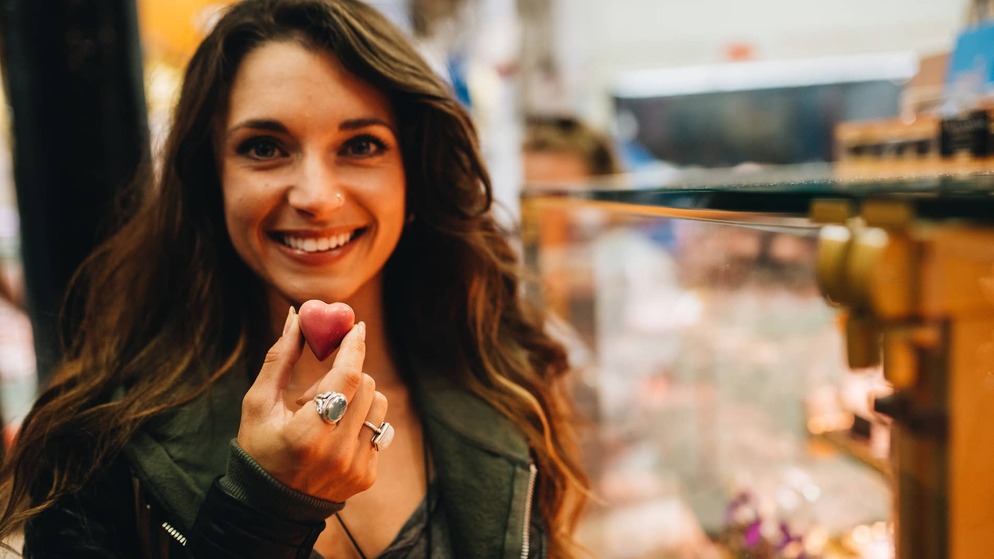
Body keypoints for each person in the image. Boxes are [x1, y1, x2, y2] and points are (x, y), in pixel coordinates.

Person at [0, 0, 588, 557]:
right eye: (264, 147)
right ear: (211, 181)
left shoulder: (509, 385)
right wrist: (262, 511)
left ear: (416, 173)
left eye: (360, 145)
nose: (316, 197)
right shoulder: (93, 444)